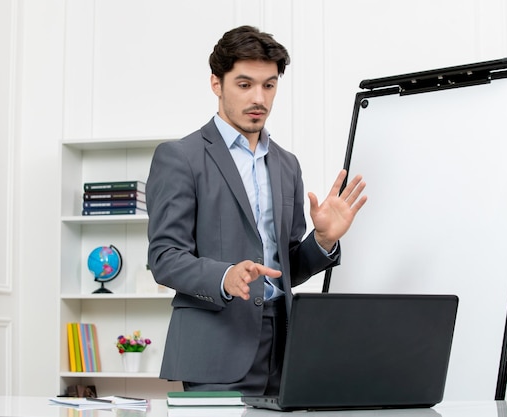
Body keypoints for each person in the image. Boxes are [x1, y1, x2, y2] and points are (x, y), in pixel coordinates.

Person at [146, 25, 367, 395]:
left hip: (284, 344)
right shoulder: (180, 157)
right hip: (216, 346)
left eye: (269, 85)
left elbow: (286, 268)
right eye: (244, 84)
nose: (259, 98)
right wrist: (225, 275)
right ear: (217, 83)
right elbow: (164, 257)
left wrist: (323, 241)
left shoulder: (286, 164)